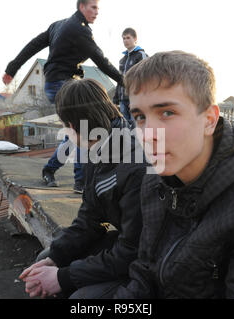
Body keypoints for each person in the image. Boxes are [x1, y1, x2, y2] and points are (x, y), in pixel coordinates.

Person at [114, 51, 234, 299]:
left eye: (167, 113)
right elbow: (144, 273)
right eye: (140, 117)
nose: (147, 134)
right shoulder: (156, 181)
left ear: (209, 119)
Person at [19, 79, 148, 299]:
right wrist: (57, 258)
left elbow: (133, 251)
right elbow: (89, 219)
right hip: (125, 245)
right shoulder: (98, 151)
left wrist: (63, 277)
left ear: (74, 125)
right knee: (46, 257)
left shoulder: (136, 165)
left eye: (64, 125)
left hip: (145, 260)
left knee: (81, 298)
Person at [2, 0, 122, 193]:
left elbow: (32, 45)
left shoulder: (58, 25)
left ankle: (49, 170)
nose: (97, 12)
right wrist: (123, 80)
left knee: (75, 135)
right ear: (81, 7)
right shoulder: (80, 31)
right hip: (64, 86)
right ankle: (81, 182)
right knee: (85, 129)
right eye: (93, 7)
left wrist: (12, 68)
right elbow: (101, 60)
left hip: (54, 85)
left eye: (98, 8)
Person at [113, 28, 148, 126]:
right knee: (125, 128)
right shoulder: (122, 60)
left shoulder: (141, 55)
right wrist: (115, 100)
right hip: (122, 99)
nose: (125, 41)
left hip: (134, 98)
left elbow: (144, 79)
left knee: (137, 125)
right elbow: (118, 80)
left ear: (135, 38)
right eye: (123, 38)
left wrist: (136, 97)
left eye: (128, 38)